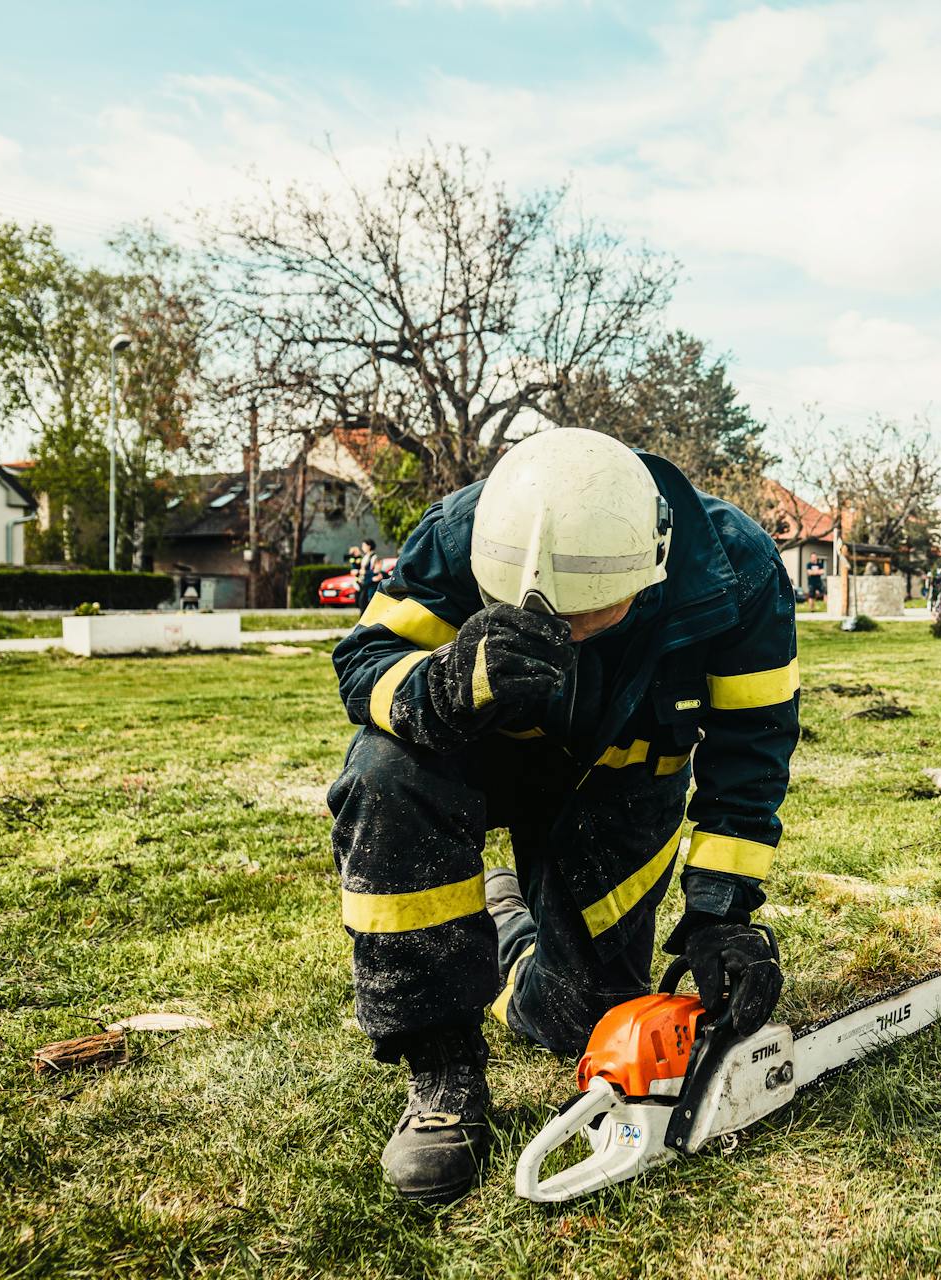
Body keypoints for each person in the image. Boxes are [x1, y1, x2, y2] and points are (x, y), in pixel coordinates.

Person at [328, 429, 799, 1203]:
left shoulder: (734, 570)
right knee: (382, 770)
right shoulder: (462, 532)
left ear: (650, 567)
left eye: (587, 615)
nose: (562, 632)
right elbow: (364, 664)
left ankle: (508, 928)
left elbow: (752, 750)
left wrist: (722, 911)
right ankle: (443, 1067)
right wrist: (444, 684)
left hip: (620, 788)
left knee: (579, 1021)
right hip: (477, 757)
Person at [356, 539, 382, 605]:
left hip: (371, 583)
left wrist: (364, 572)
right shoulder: (365, 557)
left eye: (364, 546)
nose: (362, 548)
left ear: (369, 546)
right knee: (362, 602)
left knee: (370, 602)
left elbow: (377, 571)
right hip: (364, 583)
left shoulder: (375, 557)